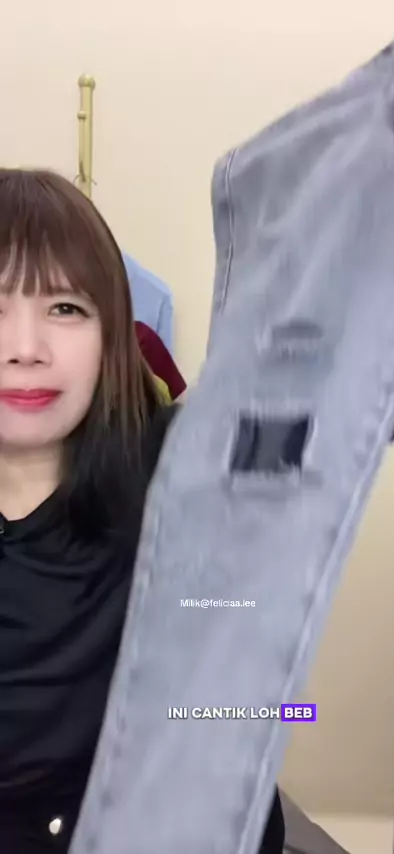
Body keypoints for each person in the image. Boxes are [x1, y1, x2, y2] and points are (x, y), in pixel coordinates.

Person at [0, 168, 285, 853]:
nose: (26, 349)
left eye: (65, 308)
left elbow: (331, 415)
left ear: (112, 332)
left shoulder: (181, 465)